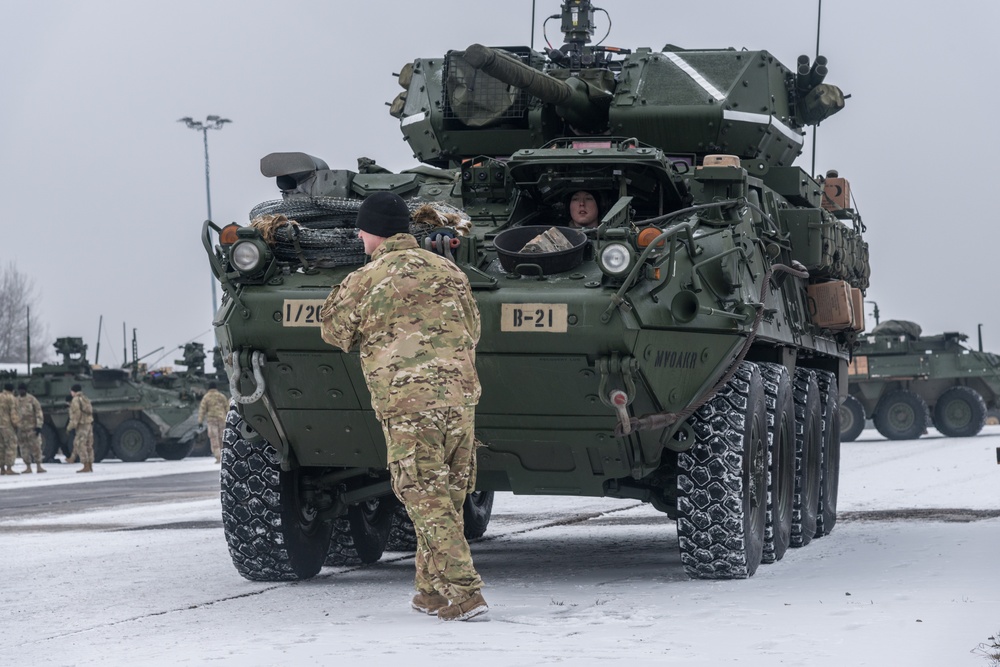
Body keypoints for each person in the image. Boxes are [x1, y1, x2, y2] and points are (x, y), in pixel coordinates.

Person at [319, 191, 487, 622]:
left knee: (423, 497)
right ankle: (430, 592)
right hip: (460, 401)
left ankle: (466, 593)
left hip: (411, 406)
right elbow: (473, 328)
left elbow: (334, 332)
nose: (359, 238)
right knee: (445, 497)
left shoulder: (367, 277)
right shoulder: (449, 270)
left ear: (371, 232)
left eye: (361, 230)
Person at [15, 383, 45, 473]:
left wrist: (39, 426)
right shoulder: (16, 401)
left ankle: (39, 466)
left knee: (36, 447)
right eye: (20, 390)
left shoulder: (32, 399)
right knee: (24, 449)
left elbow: (38, 412)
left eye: (23, 389)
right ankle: (28, 466)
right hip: (21, 429)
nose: (21, 391)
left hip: (32, 428)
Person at [198, 382, 229, 463]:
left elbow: (202, 410)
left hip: (212, 420)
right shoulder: (221, 396)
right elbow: (227, 408)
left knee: (214, 439)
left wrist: (200, 422)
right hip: (222, 419)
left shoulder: (206, 397)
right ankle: (225, 457)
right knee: (223, 438)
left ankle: (218, 457)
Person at [67, 384, 94, 473]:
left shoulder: (75, 400)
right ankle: (90, 464)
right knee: (88, 444)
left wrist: (71, 426)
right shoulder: (84, 398)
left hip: (81, 425)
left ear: (73, 391)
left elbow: (76, 414)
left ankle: (85, 465)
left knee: (80, 444)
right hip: (88, 423)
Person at [0, 383, 21, 475]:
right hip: (7, 426)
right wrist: (17, 425)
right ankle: (9, 468)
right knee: (11, 446)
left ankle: (2, 469)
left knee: (1, 447)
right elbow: (13, 413)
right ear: (12, 390)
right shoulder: (11, 398)